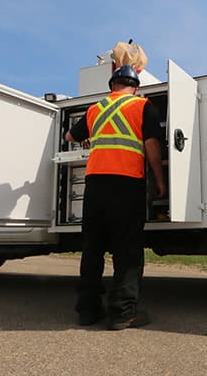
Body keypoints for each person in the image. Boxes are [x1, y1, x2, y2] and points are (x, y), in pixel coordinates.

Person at [65, 64, 166, 330]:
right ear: (136, 88)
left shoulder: (95, 109)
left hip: (95, 184)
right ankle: (122, 313)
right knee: (127, 250)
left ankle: (87, 310)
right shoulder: (142, 106)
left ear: (112, 85)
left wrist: (87, 139)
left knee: (93, 248)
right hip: (127, 183)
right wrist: (159, 179)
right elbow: (152, 146)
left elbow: (69, 135)